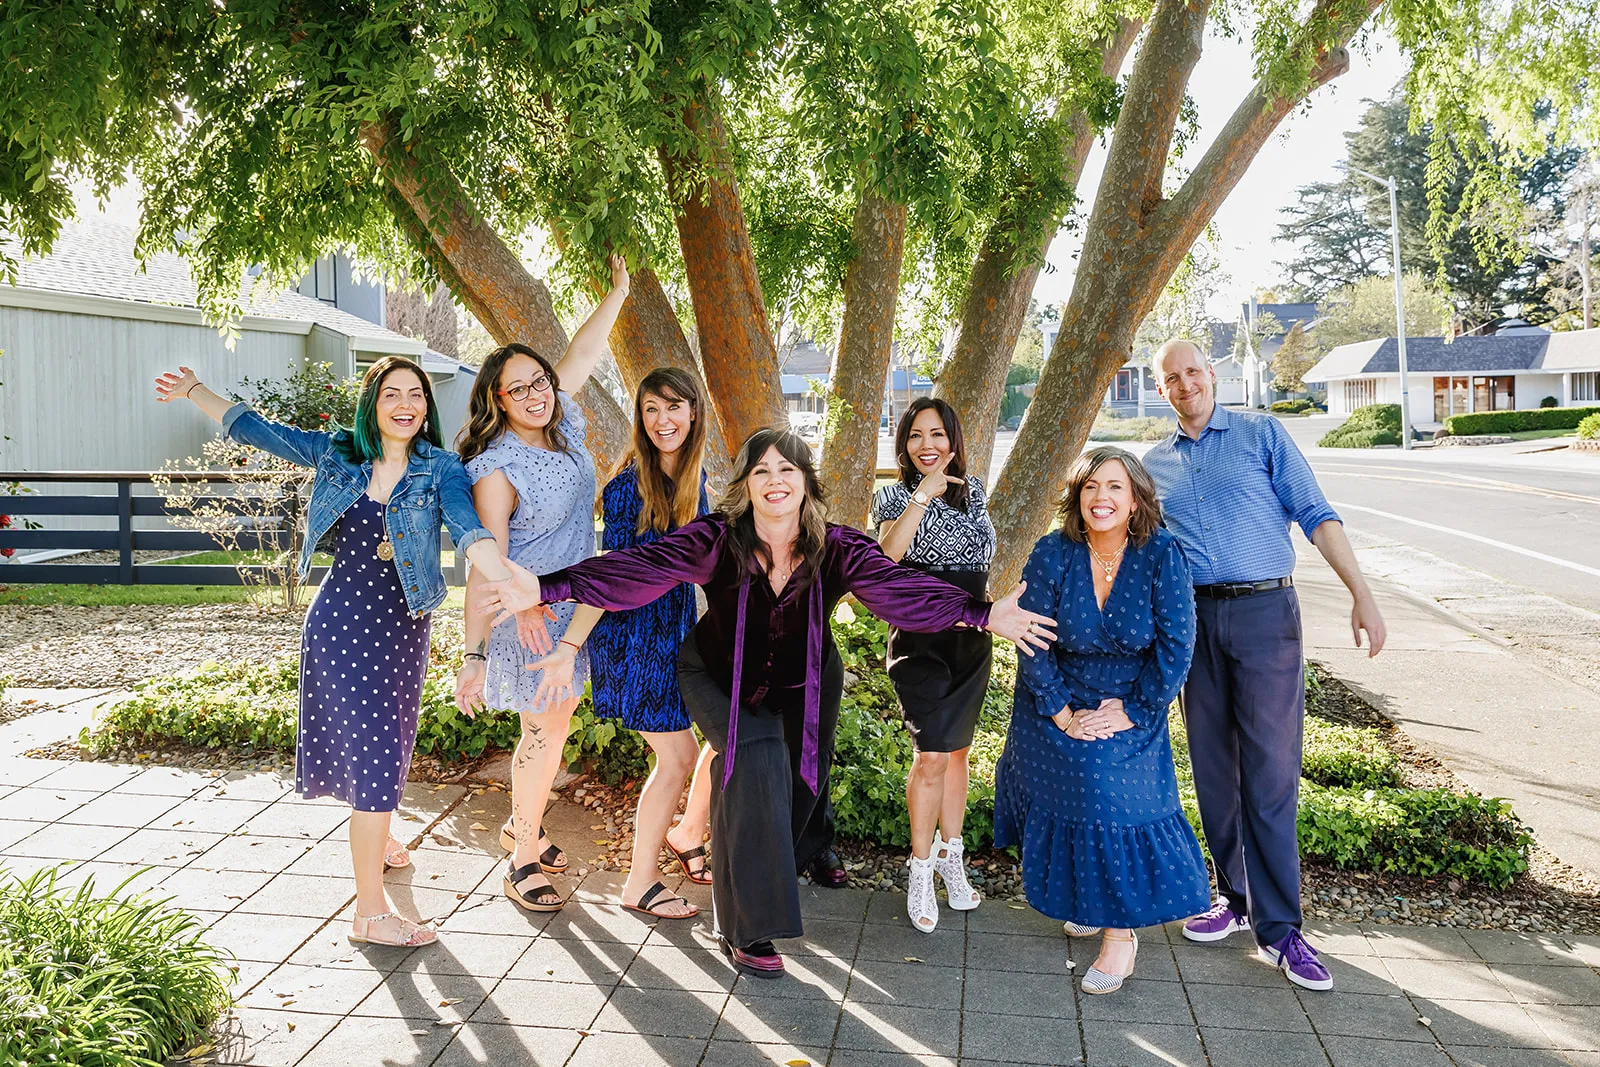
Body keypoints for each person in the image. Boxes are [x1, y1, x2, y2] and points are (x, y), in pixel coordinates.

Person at [478, 428, 1056, 978]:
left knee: (796, 787)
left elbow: (898, 590)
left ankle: (735, 864)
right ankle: (746, 929)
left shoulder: (838, 548)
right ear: (746, 484)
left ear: (806, 480)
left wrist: (982, 614)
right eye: (761, 470)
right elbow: (638, 569)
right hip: (718, 676)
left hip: (805, 680)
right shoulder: (716, 539)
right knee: (751, 759)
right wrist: (549, 586)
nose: (775, 479)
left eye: (787, 468)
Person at [155, 357, 543, 948]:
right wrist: (194, 391)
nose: (407, 404)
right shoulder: (338, 453)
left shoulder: (440, 468)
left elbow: (470, 532)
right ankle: (369, 913)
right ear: (372, 403)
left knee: (388, 744)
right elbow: (257, 429)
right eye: (392, 394)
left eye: (416, 395)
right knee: (379, 756)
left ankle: (378, 837)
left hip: (402, 627)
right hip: (339, 625)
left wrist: (511, 587)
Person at [1143, 337, 1387, 992]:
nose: (1186, 383)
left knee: (1272, 775)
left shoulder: (1261, 434)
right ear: (1159, 387)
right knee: (1215, 771)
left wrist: (1362, 595)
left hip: (1264, 615)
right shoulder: (1154, 463)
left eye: (1193, 370)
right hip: (1194, 623)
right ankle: (1237, 897)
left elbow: (1316, 513)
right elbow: (1145, 556)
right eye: (1172, 377)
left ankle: (1282, 931)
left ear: (1212, 374)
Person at [993, 447, 1210, 995]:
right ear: (1077, 496)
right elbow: (1031, 637)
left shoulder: (1162, 554)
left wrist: (1135, 709)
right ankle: (1087, 899)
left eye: (1114, 487)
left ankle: (1121, 935)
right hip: (1055, 697)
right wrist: (1063, 713)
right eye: (1091, 487)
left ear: (1136, 498)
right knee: (1074, 790)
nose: (1101, 498)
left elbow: (1178, 645)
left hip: (1131, 701)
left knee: (1105, 791)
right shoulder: (1052, 552)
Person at [453, 253, 629, 914]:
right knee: (544, 733)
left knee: (551, 728)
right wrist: (485, 642)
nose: (535, 393)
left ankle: (519, 825)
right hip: (529, 616)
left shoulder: (565, 429)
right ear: (498, 401)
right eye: (518, 388)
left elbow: (582, 353)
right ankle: (521, 856)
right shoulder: (499, 465)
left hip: (569, 603)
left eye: (539, 381)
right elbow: (485, 559)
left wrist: (617, 292)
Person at [587, 367, 718, 919]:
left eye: (673, 408)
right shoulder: (628, 487)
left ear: (693, 412)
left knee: (697, 748)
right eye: (651, 410)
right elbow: (616, 576)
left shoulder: (694, 478)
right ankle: (640, 880)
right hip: (634, 639)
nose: (663, 421)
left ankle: (686, 835)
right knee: (679, 756)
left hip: (674, 636)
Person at [871, 398, 994, 932]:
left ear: (953, 440)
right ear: (904, 444)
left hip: (971, 637)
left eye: (938, 434)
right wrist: (920, 498)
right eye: (917, 435)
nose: (928, 445)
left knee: (958, 753)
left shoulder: (975, 491)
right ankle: (920, 870)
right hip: (921, 640)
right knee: (931, 756)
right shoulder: (893, 495)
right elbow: (886, 558)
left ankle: (952, 859)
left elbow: (982, 559)